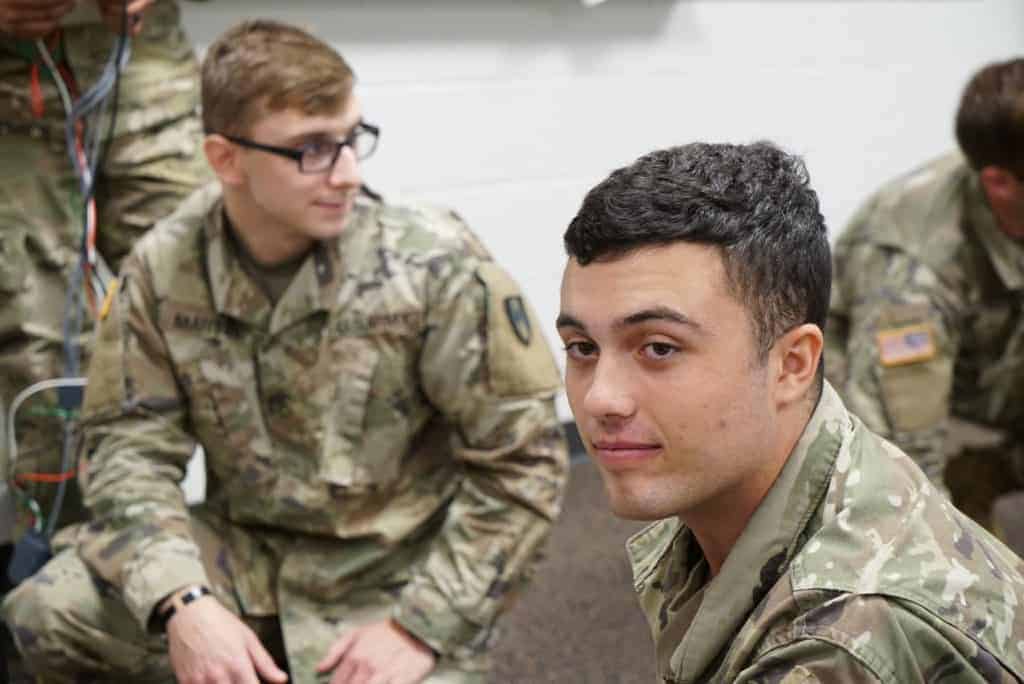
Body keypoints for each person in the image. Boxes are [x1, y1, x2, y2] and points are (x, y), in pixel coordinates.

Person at [1, 18, 569, 684]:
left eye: (353, 139)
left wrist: (421, 627)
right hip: (246, 556)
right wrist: (184, 603)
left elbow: (523, 466)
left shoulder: (432, 265)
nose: (348, 174)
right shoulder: (163, 267)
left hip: (393, 573)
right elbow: (130, 452)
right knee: (48, 612)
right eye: (312, 150)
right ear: (224, 159)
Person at [556, 141, 1024, 682]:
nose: (600, 399)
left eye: (658, 348)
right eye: (581, 348)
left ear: (793, 364)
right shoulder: (807, 471)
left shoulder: (838, 643)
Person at [0, 0, 210, 543]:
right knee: (39, 350)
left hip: (141, 68)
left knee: (213, 298)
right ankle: (63, 569)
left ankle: (269, 554)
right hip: (12, 92)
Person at [825, 58, 1024, 532]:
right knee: (899, 507)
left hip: (993, 352)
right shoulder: (914, 273)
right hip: (881, 388)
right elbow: (904, 460)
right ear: (999, 183)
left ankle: (993, 468)